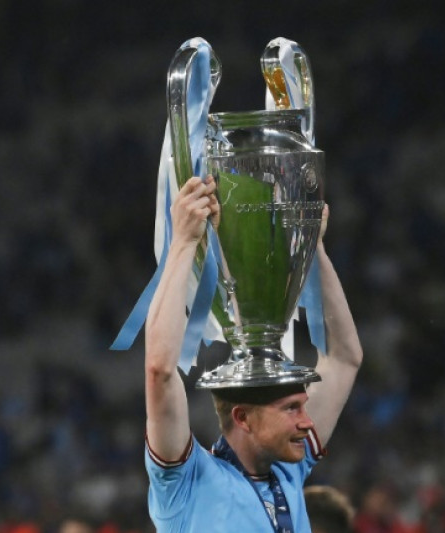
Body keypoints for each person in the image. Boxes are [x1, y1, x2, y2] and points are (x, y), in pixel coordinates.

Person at [144, 175, 363, 532]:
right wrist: (183, 242)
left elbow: (344, 359)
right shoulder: (186, 482)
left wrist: (313, 250)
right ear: (243, 418)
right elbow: (160, 370)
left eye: (302, 406)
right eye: (291, 408)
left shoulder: (288, 469)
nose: (307, 422)